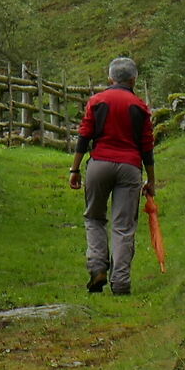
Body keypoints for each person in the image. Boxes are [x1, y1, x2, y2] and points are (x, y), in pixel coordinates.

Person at [70, 56, 156, 295]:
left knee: (94, 217)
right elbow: (147, 146)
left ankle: (98, 267)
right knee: (123, 226)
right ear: (134, 79)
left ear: (110, 78)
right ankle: (120, 282)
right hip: (130, 167)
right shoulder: (140, 106)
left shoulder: (97, 101)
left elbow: (84, 136)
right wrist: (151, 180)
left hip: (99, 164)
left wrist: (75, 169)